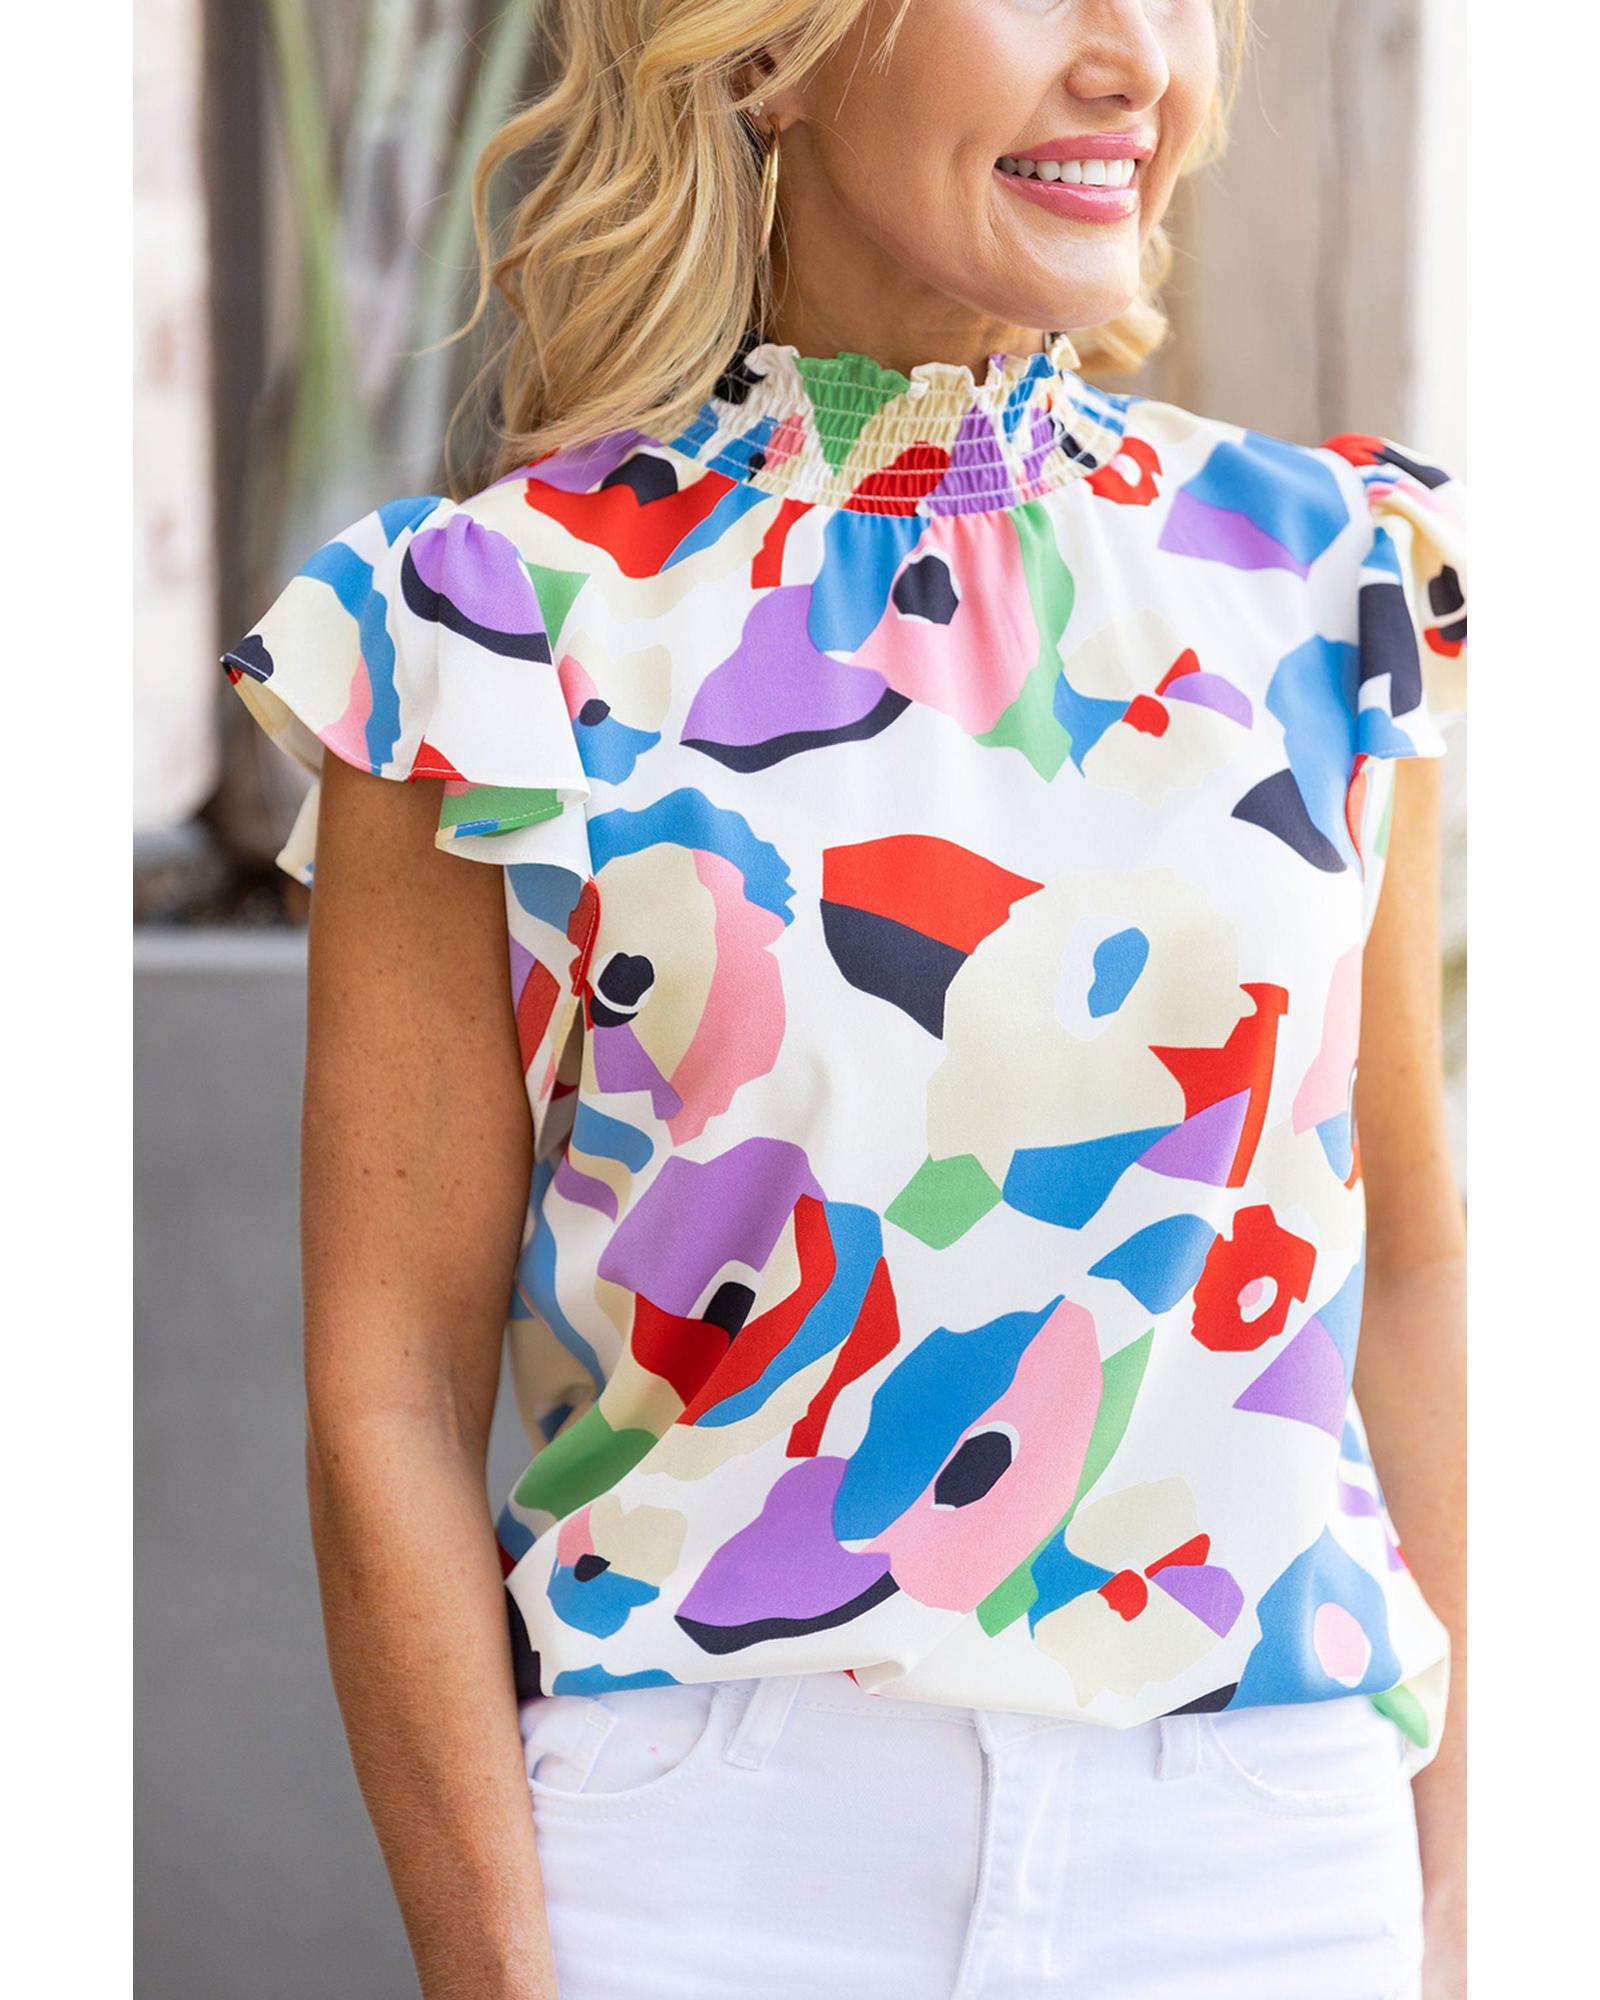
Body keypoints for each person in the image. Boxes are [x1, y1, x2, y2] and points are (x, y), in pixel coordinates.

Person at [222, 3, 1467, 1995]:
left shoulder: (1327, 585)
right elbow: (390, 1395)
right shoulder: (489, 635)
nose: (1135, 60)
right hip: (708, 1873)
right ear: (773, 52)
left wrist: (1457, 1903)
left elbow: (1402, 1266)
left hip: (1268, 1857)